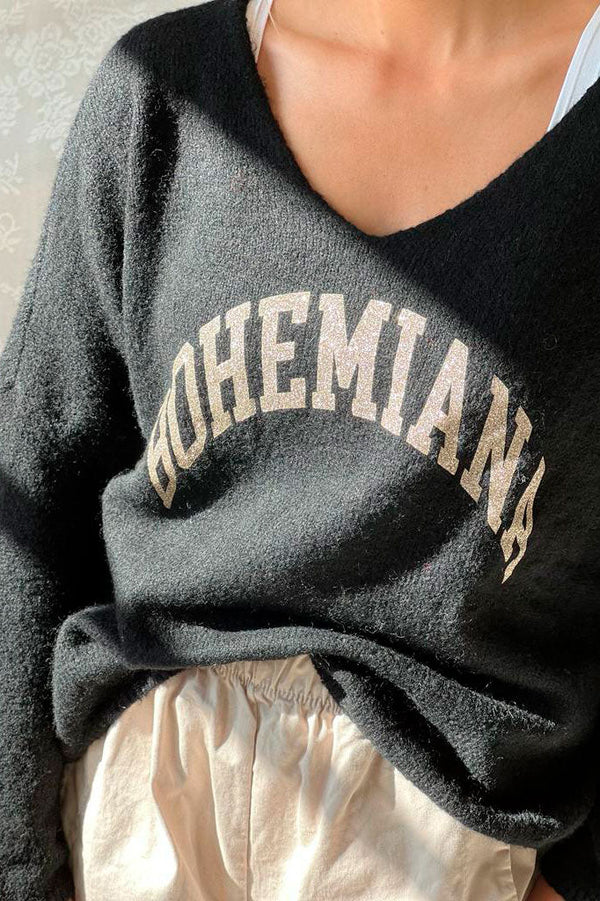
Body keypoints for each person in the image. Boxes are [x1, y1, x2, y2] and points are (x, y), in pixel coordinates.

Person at [1, 0, 600, 898]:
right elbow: (32, 505)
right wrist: (19, 867)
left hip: (439, 844)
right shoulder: (160, 95)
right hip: (142, 818)